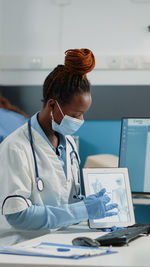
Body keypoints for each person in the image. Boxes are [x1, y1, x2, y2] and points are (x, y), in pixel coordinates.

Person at [0, 48, 118, 246]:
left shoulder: (68, 144)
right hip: (20, 247)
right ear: (53, 105)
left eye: (83, 114)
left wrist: (95, 214)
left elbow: (65, 203)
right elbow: (18, 215)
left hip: (57, 242)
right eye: (75, 114)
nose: (80, 120)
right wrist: (82, 210)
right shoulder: (15, 148)